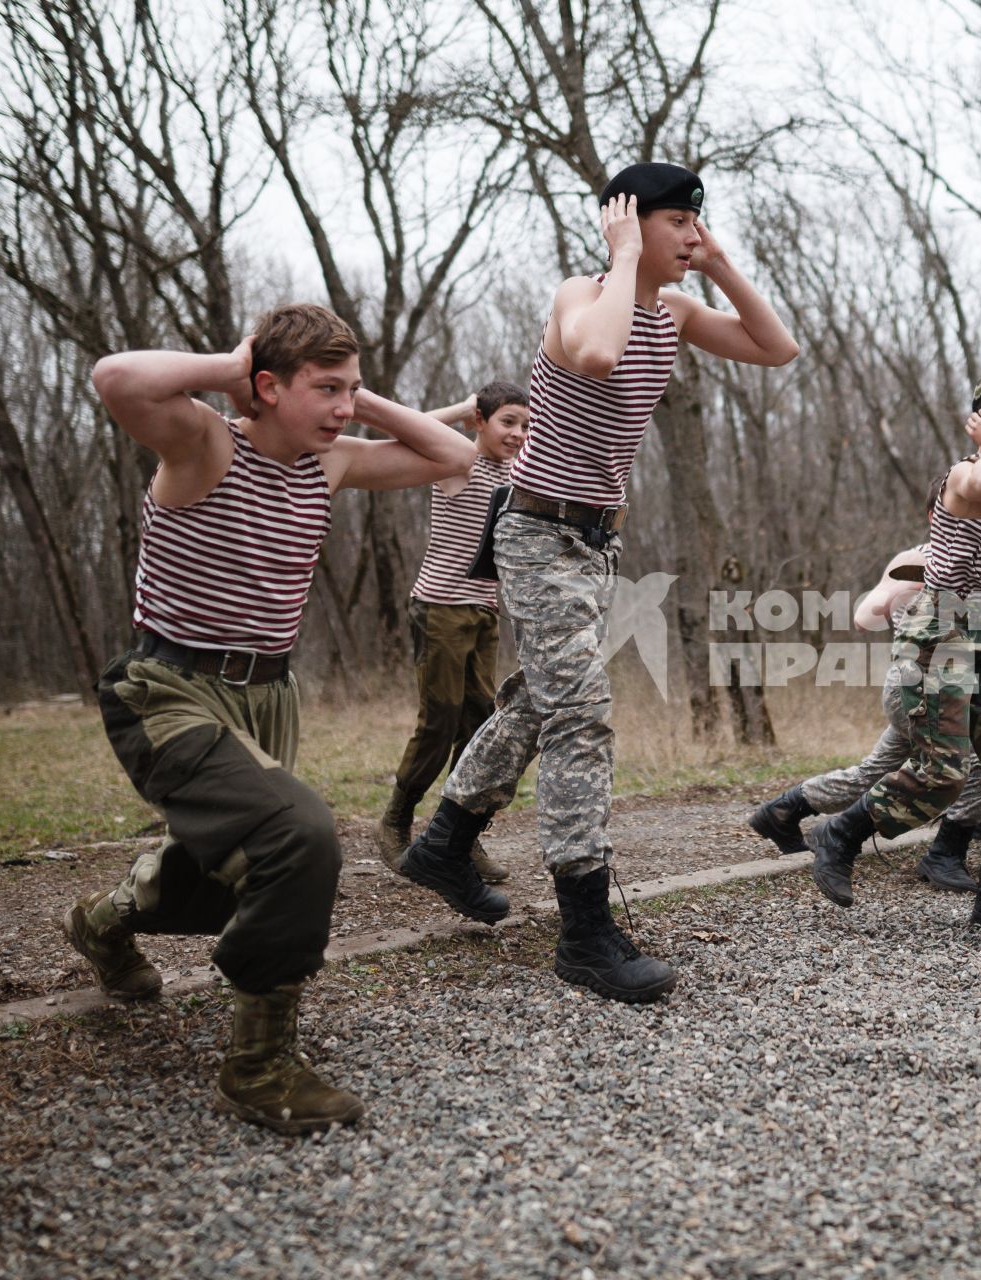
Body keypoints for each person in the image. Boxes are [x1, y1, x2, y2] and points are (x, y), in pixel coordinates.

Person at [62, 303, 478, 1133]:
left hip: (267, 694)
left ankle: (104, 920)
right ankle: (257, 1067)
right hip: (170, 689)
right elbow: (114, 378)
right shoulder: (205, 443)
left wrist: (354, 404)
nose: (342, 406)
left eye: (350, 389)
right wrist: (229, 369)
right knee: (299, 839)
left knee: (235, 873)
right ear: (265, 386)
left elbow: (458, 455)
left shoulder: (329, 464)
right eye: (325, 387)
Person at [397, 163, 798, 1004]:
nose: (692, 234)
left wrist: (718, 265)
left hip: (592, 545)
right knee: (582, 716)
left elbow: (776, 348)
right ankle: (584, 930)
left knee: (542, 706)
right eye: (678, 222)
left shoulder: (676, 309)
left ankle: (443, 842)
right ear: (627, 222)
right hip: (537, 533)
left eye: (699, 220)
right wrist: (620, 256)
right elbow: (596, 352)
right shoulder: (581, 296)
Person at [804, 368, 981, 932]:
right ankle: (840, 832)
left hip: (976, 632)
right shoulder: (966, 474)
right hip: (939, 633)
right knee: (942, 774)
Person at [746, 529, 981, 893]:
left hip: (944, 691)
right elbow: (865, 616)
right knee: (973, 764)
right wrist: (894, 597)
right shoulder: (918, 559)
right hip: (917, 690)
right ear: (939, 515)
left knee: (871, 773)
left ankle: (783, 811)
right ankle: (946, 853)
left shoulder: (979, 562)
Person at [376, 381, 530, 877]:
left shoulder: (514, 475)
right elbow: (411, 433)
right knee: (440, 717)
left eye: (525, 425)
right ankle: (396, 821)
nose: (517, 434)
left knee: (480, 721)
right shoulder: (457, 462)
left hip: (485, 612)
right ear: (481, 422)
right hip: (441, 607)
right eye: (508, 422)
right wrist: (464, 408)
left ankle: (457, 835)